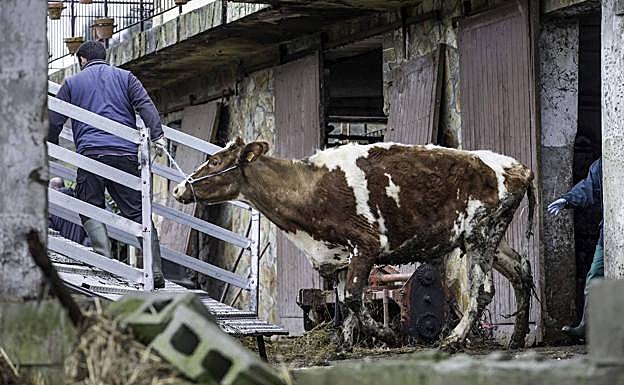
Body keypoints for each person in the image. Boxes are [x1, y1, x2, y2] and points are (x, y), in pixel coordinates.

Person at [48, 41, 166, 288]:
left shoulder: (72, 83)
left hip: (90, 154)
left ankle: (104, 260)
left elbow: (54, 118)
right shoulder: (126, 77)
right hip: (124, 153)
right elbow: (145, 104)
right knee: (137, 211)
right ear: (105, 56)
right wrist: (157, 135)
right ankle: (154, 269)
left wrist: (50, 144)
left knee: (90, 204)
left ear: (82, 60)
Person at [547, 158, 602, 339]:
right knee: (595, 276)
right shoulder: (604, 162)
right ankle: (586, 327)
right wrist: (567, 199)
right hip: (611, 232)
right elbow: (589, 187)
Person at [49, 177, 90, 246]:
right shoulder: (80, 203)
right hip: (79, 248)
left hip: (60, 247)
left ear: (54, 188)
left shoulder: (52, 206)